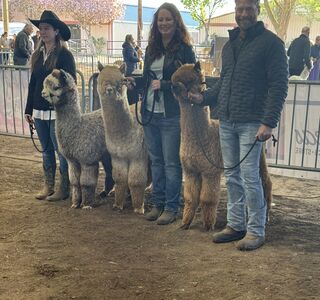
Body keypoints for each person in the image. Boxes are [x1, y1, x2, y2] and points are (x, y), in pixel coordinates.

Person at [188, 0, 288, 250]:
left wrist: (269, 122)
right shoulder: (230, 45)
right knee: (232, 175)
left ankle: (256, 230)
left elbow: (279, 86)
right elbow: (223, 83)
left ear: (258, 10)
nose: (243, 13)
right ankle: (236, 224)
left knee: (250, 177)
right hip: (227, 120)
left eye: (248, 8)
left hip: (252, 122)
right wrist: (204, 98)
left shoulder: (272, 44)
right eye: (240, 8)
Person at [126, 2, 196, 225]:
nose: (164, 23)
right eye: (161, 20)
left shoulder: (185, 49)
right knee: (155, 161)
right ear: (156, 23)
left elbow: (190, 81)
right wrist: (134, 84)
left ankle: (172, 207)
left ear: (176, 22)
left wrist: (165, 85)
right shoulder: (151, 49)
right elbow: (148, 79)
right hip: (150, 112)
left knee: (170, 162)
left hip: (171, 113)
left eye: (168, 19)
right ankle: (158, 203)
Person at [24, 10, 76, 201]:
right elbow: (33, 83)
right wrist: (28, 109)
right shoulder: (37, 56)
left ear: (56, 31)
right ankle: (49, 186)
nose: (43, 32)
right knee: (46, 150)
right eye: (41, 29)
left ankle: (64, 188)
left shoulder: (65, 55)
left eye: (47, 28)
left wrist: (59, 101)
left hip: (57, 112)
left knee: (60, 150)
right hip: (38, 110)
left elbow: (70, 83)